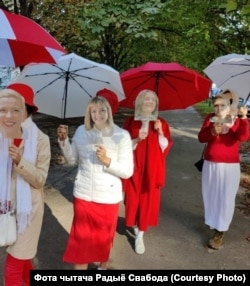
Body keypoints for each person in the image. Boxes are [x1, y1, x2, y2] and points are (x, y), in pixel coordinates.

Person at [57, 96, 133, 270]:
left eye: (102, 110)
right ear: (89, 113)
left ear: (109, 112)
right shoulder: (81, 131)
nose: (97, 114)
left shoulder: (121, 135)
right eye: (93, 111)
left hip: (107, 197)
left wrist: (107, 161)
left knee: (103, 240)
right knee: (81, 245)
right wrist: (64, 142)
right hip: (83, 195)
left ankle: (102, 267)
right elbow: (72, 160)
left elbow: (127, 171)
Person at [0, 83, 51, 286]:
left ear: (26, 109)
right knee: (24, 256)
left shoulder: (41, 140)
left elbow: (40, 179)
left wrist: (21, 161)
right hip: (5, 207)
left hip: (28, 211)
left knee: (13, 265)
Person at [122, 89, 173, 254]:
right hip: (134, 167)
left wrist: (160, 133)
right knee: (132, 199)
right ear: (139, 102)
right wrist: (137, 139)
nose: (150, 102)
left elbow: (165, 147)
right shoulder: (130, 121)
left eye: (153, 99)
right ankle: (135, 225)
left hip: (152, 168)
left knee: (147, 201)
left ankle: (141, 235)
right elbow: (122, 146)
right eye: (146, 99)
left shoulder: (161, 122)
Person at [198, 90, 249, 251]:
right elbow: (201, 137)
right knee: (211, 194)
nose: (219, 108)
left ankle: (220, 231)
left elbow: (243, 137)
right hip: (210, 163)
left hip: (229, 166)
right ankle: (213, 221)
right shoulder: (210, 119)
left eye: (224, 104)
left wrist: (242, 118)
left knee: (226, 198)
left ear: (231, 104)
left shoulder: (237, 120)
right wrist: (212, 132)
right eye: (217, 105)